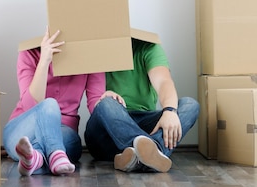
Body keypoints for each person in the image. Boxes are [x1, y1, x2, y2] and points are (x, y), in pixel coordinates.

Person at [84, 36, 200, 173]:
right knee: (106, 103)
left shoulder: (148, 47)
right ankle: (151, 151)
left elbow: (163, 82)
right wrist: (105, 97)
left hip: (144, 123)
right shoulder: (96, 50)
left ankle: (140, 155)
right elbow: (94, 103)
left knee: (189, 105)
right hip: (107, 134)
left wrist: (169, 111)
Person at [3, 27, 106, 176]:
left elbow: (95, 104)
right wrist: (44, 61)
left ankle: (34, 159)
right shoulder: (29, 52)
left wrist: (107, 99)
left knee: (72, 143)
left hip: (63, 130)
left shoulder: (91, 57)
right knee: (50, 104)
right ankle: (56, 154)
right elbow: (29, 105)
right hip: (23, 128)